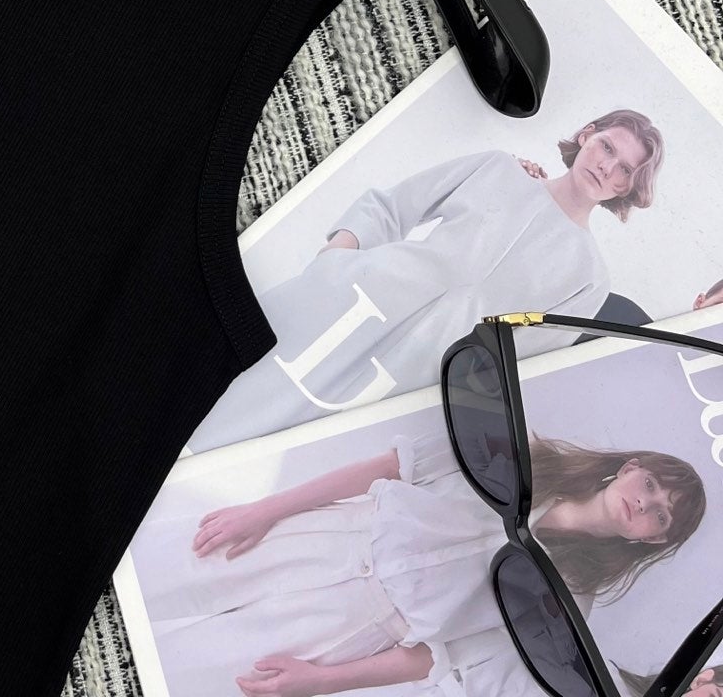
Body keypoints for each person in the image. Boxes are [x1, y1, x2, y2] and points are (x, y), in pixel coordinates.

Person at [185, 110, 665, 452]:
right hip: (351, 302)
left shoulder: (589, 278)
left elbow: (519, 363)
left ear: (628, 187)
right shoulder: (499, 167)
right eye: (607, 147)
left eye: (625, 169)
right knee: (220, 387)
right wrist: (336, 257)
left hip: (413, 374)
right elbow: (393, 206)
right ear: (587, 135)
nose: (607, 167)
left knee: (265, 455)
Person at [133, 428, 704, 697]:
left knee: (186, 674)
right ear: (630, 467)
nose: (645, 503)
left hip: (354, 627)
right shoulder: (527, 457)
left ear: (653, 541)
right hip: (327, 535)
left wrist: (321, 682)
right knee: (150, 572)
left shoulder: (571, 599)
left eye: (660, 516)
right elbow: (389, 467)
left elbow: (440, 655)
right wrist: (266, 509)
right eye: (650, 485)